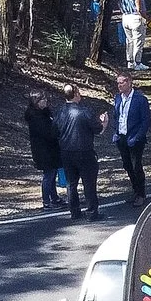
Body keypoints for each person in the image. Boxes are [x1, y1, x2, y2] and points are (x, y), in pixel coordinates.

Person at [55, 84, 104, 218]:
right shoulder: (84, 111)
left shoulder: (60, 111)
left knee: (71, 183)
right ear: (76, 94)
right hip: (84, 151)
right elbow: (97, 129)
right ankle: (92, 212)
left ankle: (74, 211)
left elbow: (55, 129)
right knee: (89, 183)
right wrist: (103, 124)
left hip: (66, 151)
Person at [111, 74, 150, 207]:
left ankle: (141, 194)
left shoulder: (140, 99)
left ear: (129, 83)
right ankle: (135, 190)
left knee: (136, 166)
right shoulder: (117, 98)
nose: (119, 85)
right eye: (118, 83)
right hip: (122, 137)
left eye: (122, 83)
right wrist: (116, 132)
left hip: (135, 138)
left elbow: (146, 121)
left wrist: (138, 137)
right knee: (127, 165)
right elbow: (116, 116)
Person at [24, 92, 64, 210]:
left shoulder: (45, 113)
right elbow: (47, 133)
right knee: (48, 175)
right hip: (43, 150)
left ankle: (55, 198)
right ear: (36, 102)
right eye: (42, 100)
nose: (45, 101)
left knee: (53, 174)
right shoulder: (35, 117)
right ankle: (46, 201)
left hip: (51, 148)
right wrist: (56, 131)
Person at [118, 0, 149, 69]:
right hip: (135, 18)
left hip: (125, 17)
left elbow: (119, 4)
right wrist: (145, 17)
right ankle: (137, 63)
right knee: (138, 41)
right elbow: (139, 9)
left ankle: (130, 62)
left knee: (129, 40)